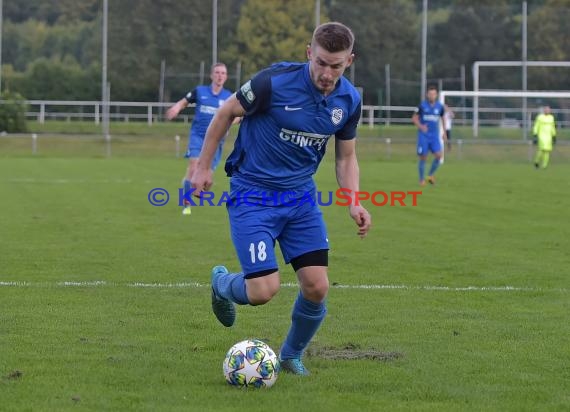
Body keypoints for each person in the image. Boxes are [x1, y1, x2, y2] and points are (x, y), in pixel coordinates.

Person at [191, 22, 372, 376]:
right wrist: (202, 167)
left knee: (317, 286)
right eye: (320, 62)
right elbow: (227, 112)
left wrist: (354, 200)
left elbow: (346, 156)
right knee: (262, 290)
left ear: (349, 61)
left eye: (335, 65)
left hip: (301, 199)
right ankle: (221, 284)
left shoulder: (348, 99)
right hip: (252, 194)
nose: (326, 72)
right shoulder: (272, 82)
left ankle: (290, 356)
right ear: (309, 52)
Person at [166, 63, 233, 215]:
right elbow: (184, 101)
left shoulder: (229, 97)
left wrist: (228, 125)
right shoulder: (200, 91)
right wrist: (176, 108)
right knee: (194, 166)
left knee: (207, 178)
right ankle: (186, 204)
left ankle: (187, 185)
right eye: (217, 72)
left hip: (216, 141)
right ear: (211, 75)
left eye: (223, 73)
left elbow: (235, 116)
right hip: (198, 136)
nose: (220, 75)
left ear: (226, 77)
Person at [412, 85, 447, 186]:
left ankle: (430, 175)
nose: (432, 96)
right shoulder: (422, 106)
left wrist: (444, 132)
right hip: (424, 135)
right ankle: (421, 180)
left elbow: (443, 118)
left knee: (439, 155)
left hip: (434, 136)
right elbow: (414, 118)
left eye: (434, 94)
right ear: (427, 95)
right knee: (423, 157)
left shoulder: (439, 107)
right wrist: (421, 126)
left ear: (436, 95)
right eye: (430, 94)